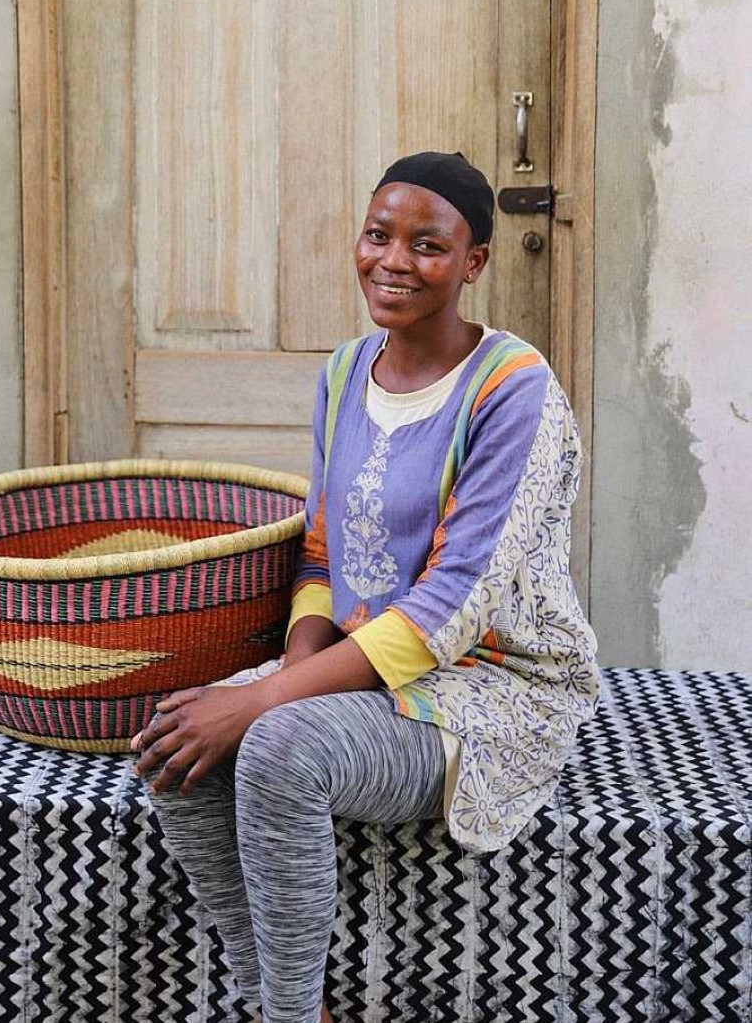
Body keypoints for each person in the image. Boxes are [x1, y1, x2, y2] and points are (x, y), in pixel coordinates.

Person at [131, 151, 600, 1023]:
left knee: (275, 748)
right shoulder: (346, 372)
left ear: (474, 263)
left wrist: (268, 701)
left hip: (488, 688)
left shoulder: (512, 389)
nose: (392, 260)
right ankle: (277, 1001)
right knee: (175, 742)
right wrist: (282, 675)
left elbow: (451, 608)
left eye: (427, 244)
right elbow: (319, 550)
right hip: (361, 669)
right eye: (378, 234)